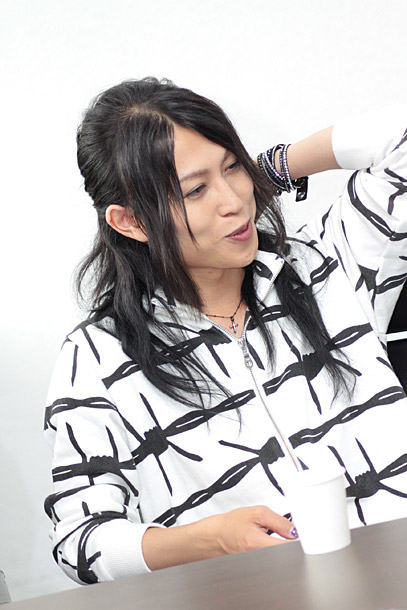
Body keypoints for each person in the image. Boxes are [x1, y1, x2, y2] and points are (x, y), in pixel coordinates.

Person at [44, 77, 407, 585]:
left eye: (233, 167)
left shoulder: (329, 264)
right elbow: (80, 542)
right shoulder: (100, 357)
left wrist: (272, 168)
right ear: (131, 222)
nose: (234, 200)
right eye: (195, 190)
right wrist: (209, 540)